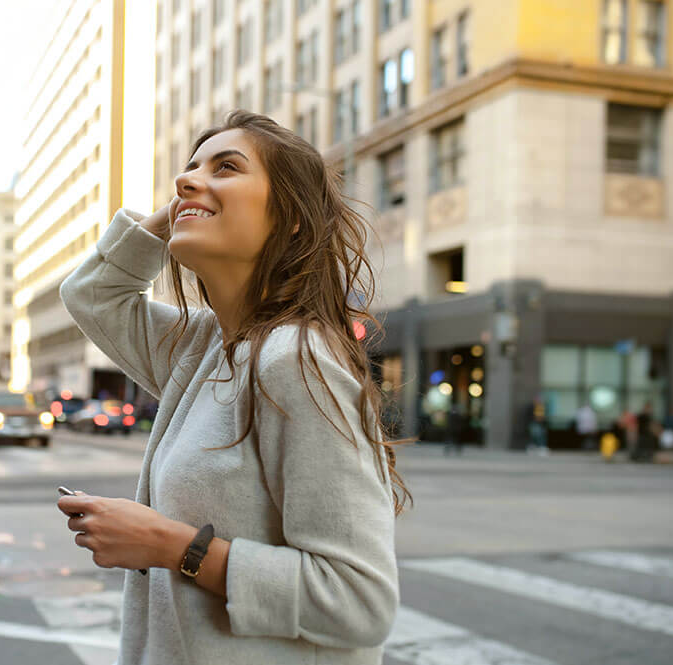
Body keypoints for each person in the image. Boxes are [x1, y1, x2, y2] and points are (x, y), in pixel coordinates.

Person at [56, 111, 409, 664]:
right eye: (188, 168)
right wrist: (186, 207)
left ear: (291, 219)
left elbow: (359, 602)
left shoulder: (293, 358)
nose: (187, 178)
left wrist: (170, 546)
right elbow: (93, 295)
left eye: (227, 167)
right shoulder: (202, 347)